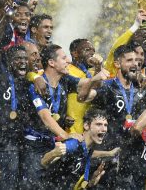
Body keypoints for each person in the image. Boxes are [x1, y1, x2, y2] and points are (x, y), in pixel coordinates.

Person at [20, 44, 108, 189]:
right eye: (63, 57)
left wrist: (97, 72)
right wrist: (66, 136)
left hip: (52, 143)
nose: (68, 61)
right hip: (32, 147)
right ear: (51, 62)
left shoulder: (65, 80)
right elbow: (45, 117)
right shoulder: (37, 84)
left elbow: (92, 84)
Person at [0, 45, 30, 190]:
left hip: (12, 148)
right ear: (8, 60)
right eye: (18, 58)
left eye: (25, 58)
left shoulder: (27, 84)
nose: (23, 62)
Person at [41, 108, 108, 189]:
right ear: (86, 126)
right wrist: (53, 153)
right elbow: (43, 162)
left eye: (105, 125)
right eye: (99, 124)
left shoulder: (89, 150)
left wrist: (91, 183)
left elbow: (79, 185)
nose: (104, 129)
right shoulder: (74, 144)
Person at [104, 10, 146, 78]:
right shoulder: (115, 68)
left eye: (142, 54)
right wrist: (135, 25)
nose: (145, 37)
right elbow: (114, 50)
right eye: (139, 35)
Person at [67, 38, 103, 133]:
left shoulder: (89, 73)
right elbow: (95, 84)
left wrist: (98, 67)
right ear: (74, 53)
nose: (92, 53)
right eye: (87, 50)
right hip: (70, 130)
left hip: (85, 130)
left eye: (93, 51)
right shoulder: (67, 70)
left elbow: (97, 85)